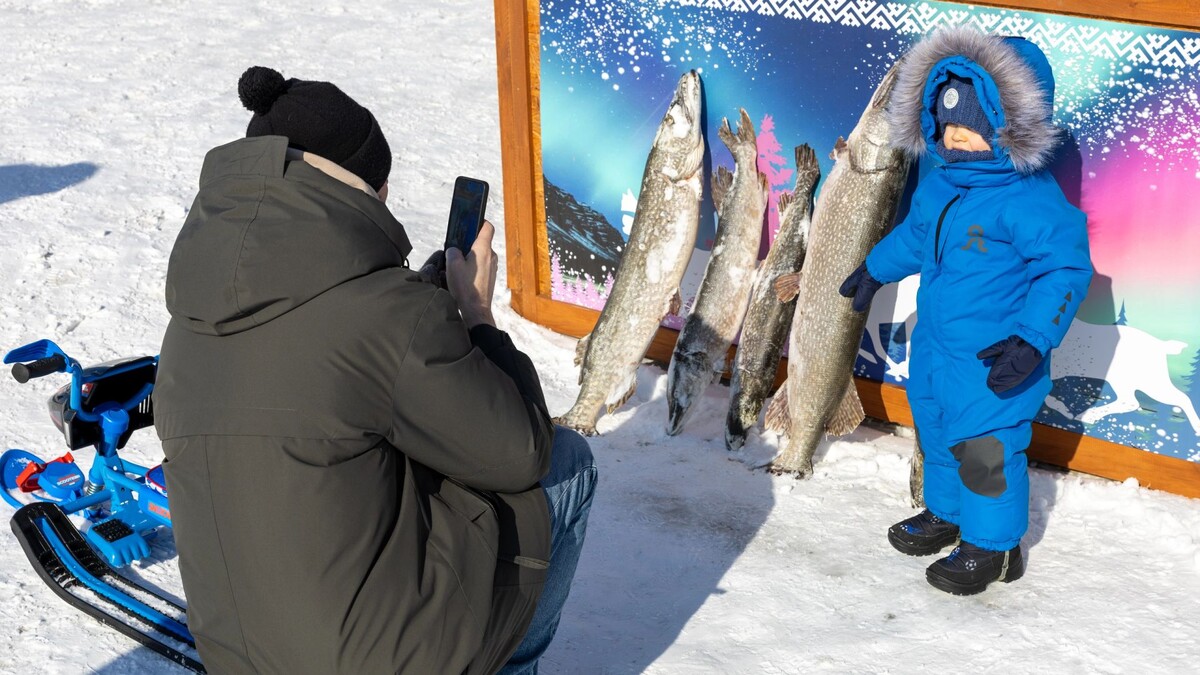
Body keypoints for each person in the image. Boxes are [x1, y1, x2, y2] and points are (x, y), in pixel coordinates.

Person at [153, 65, 597, 674]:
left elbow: (325, 369)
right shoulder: (386, 318)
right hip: (380, 661)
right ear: (364, 188)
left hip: (237, 656)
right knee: (569, 464)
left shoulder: (191, 317)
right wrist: (476, 315)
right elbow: (520, 452)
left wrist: (416, 311)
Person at [839, 28, 1092, 595]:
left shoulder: (1029, 200)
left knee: (984, 446)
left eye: (973, 130)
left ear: (1011, 129)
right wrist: (875, 268)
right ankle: (948, 514)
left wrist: (1033, 338)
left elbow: (1064, 270)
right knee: (937, 427)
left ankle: (994, 547)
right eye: (947, 126)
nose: (956, 139)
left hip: (994, 355)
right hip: (936, 350)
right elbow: (914, 237)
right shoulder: (942, 187)